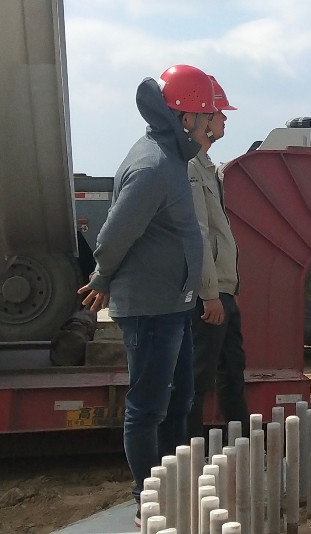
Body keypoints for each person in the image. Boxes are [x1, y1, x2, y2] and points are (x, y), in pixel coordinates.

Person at [77, 64, 212, 522]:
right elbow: (114, 234)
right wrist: (102, 275)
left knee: (179, 399)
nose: (209, 123)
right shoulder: (154, 165)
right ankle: (147, 500)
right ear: (185, 116)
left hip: (173, 303)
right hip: (152, 308)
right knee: (148, 407)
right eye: (205, 115)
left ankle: (169, 483)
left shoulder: (171, 157)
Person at [187, 76, 250, 439]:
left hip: (222, 291)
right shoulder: (190, 169)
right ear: (203, 118)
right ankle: (189, 455)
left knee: (232, 371)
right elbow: (198, 233)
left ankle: (244, 448)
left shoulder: (207, 167)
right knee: (199, 378)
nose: (225, 119)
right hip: (208, 296)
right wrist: (209, 293)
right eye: (220, 113)